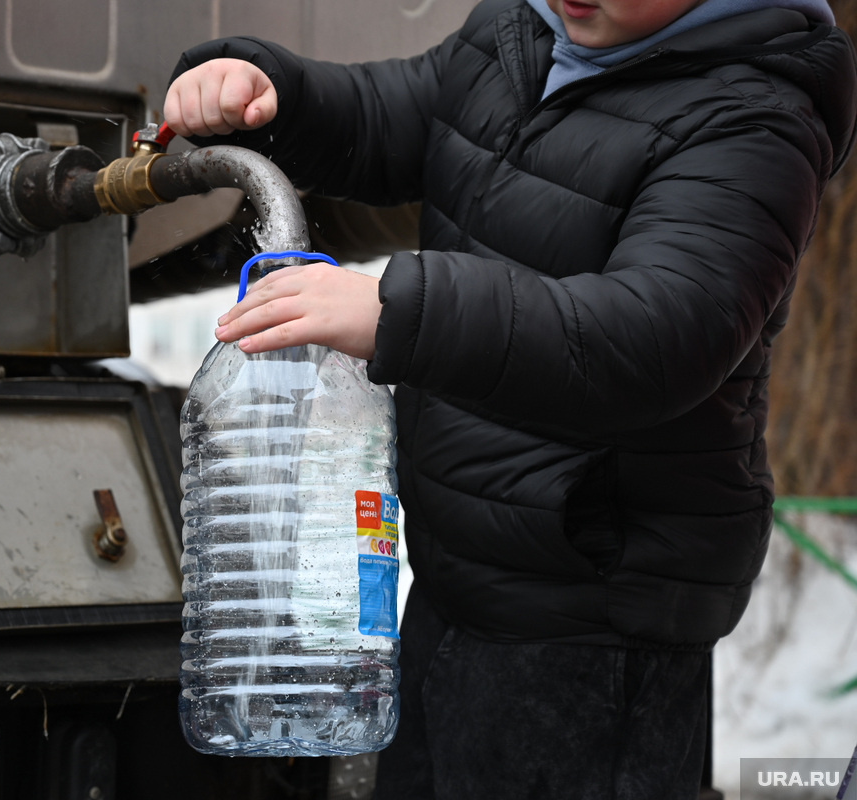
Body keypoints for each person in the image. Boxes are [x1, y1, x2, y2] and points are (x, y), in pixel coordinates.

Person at [163, 0, 857, 797]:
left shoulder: (754, 118)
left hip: (590, 625)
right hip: (459, 583)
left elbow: (654, 338)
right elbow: (389, 118)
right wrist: (264, 88)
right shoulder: (526, 30)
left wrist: (398, 311)